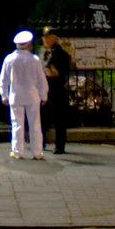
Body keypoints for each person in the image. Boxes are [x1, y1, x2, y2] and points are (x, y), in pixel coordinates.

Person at [0, 29, 49, 160]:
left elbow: (3, 80)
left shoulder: (9, 59)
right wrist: (44, 95)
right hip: (32, 96)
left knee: (17, 124)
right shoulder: (35, 60)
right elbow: (41, 80)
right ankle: (37, 152)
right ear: (28, 45)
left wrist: (4, 95)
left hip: (16, 96)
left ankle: (17, 151)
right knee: (35, 124)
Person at [41, 28, 75, 156]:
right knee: (43, 117)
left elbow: (58, 73)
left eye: (48, 37)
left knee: (59, 119)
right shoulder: (44, 53)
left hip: (57, 90)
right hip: (45, 90)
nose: (45, 39)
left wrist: (47, 69)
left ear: (55, 38)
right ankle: (41, 142)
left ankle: (59, 146)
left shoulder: (62, 54)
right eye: (44, 37)